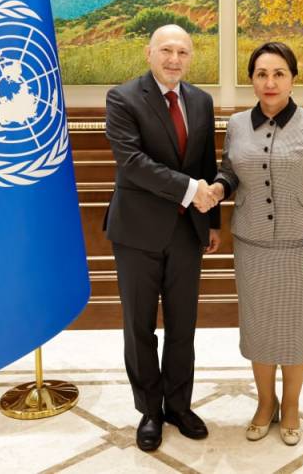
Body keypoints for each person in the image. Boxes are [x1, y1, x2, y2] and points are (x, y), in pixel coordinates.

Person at [210, 41, 303, 446]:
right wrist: (218, 186)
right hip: (252, 243)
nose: (270, 82)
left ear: (292, 79)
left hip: (302, 243)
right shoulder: (235, 125)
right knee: (259, 327)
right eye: (262, 74)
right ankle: (265, 403)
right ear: (252, 80)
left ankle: (292, 405)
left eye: (279, 74)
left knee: (297, 329)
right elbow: (229, 170)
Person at [104, 24, 222, 452]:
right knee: (139, 327)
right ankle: (150, 410)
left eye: (183, 52)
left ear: (191, 57)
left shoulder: (201, 101)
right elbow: (132, 162)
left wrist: (211, 222)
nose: (175, 59)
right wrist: (191, 190)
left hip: (187, 232)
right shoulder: (122, 98)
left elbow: (206, 162)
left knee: (182, 326)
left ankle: (178, 405)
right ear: (148, 53)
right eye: (166, 50)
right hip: (137, 232)